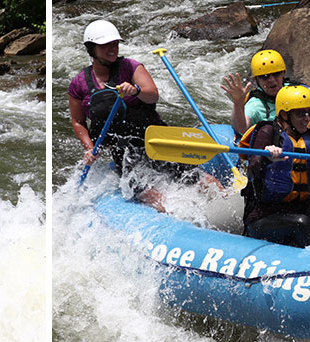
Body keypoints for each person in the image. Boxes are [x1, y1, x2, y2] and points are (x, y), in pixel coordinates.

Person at [66, 20, 212, 209]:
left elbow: (152, 95)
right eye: (106, 45)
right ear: (91, 49)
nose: (113, 49)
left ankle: (223, 202)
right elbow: (78, 121)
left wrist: (135, 90)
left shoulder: (130, 67)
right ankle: (176, 218)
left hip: (154, 137)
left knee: (195, 177)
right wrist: (89, 148)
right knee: (148, 192)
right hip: (124, 149)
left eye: (115, 44)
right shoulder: (79, 84)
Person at [238, 86, 310, 247]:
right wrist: (267, 159)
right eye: (300, 113)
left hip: (299, 210)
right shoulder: (267, 132)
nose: (307, 118)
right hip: (264, 218)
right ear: (284, 114)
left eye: (309, 113)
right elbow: (251, 172)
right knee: (301, 223)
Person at [223, 49, 310, 136]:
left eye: (276, 74)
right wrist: (238, 103)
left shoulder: (301, 92)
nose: (271, 80)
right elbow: (242, 129)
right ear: (257, 80)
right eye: (264, 76)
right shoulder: (257, 105)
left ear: (283, 73)